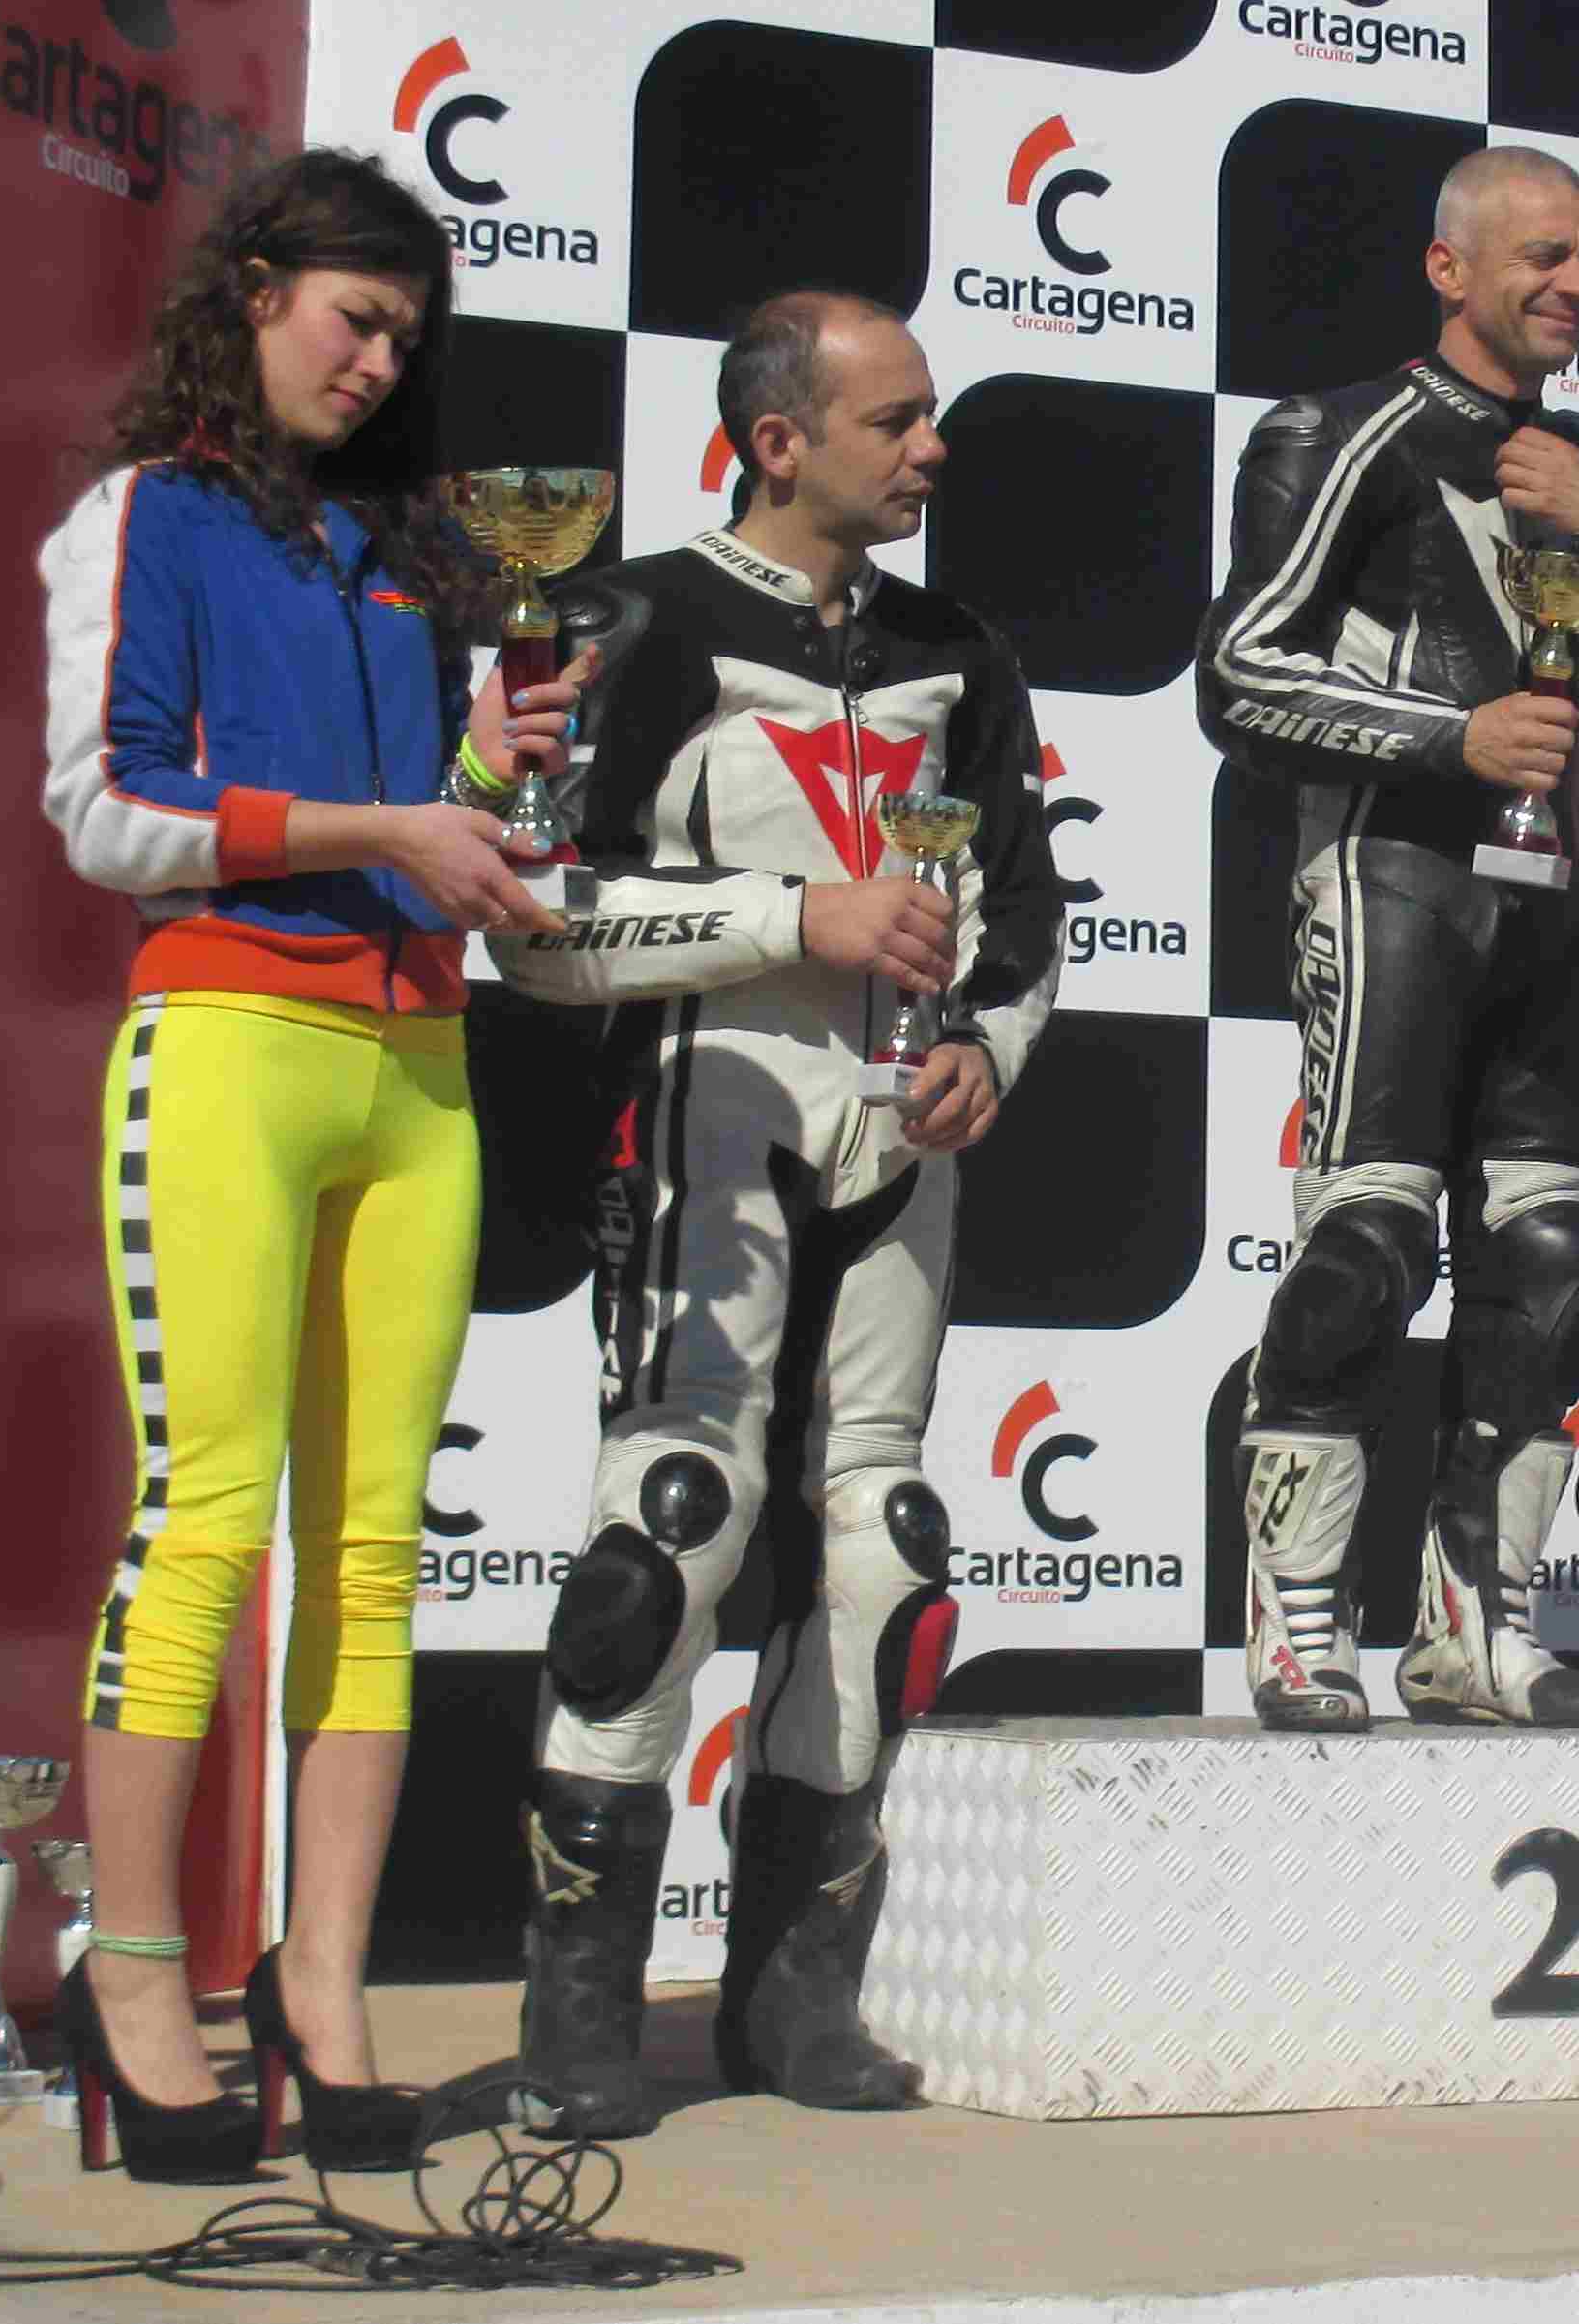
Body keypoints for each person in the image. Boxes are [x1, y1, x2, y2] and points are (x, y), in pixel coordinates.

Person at [36, 149, 582, 2180]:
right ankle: (131, 1981)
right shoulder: (145, 515)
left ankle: (321, 1985)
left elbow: (430, 842)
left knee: (373, 1552)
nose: (375, 365)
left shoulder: (408, 552)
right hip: (229, 1043)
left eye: (405, 341)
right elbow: (108, 805)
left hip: (416, 1060)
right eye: (355, 320)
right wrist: (381, 826)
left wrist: (486, 775)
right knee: (204, 1521)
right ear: (254, 288)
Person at [501, 291, 1063, 2132]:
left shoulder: (957, 649)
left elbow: (1026, 909)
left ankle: (795, 1992)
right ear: (777, 440)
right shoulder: (628, 619)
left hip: (899, 1135)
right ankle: (580, 2000)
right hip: (705, 1107)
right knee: (671, 1520)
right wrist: (789, 918)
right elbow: (537, 924)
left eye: (931, 415)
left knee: (880, 1540)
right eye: (896, 419)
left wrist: (986, 1045)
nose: (933, 448)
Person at [1199, 144, 1579, 1732]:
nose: (1577, 284)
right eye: (1543, 256)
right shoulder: (1336, 433)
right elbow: (1237, 673)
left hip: (1550, 892)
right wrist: (1454, 736)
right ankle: (1298, 1625)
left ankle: (1473, 1632)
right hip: (1389, 880)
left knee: (1556, 1271)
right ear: (1450, 270)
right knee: (1363, 1258)